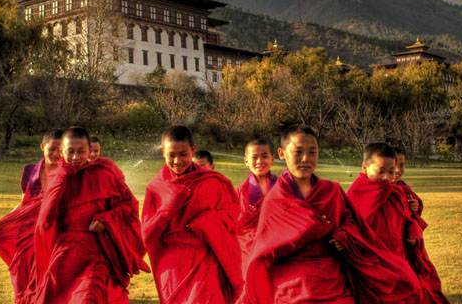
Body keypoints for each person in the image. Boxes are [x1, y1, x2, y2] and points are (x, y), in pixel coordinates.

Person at [245, 126, 420, 304]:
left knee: (405, 282)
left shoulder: (332, 191)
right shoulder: (275, 200)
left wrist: (344, 234)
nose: (306, 158)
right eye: (298, 152)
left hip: (333, 282)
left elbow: (352, 222)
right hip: (293, 286)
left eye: (312, 152)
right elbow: (264, 250)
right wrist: (314, 227)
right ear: (282, 153)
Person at [26, 126, 149, 303]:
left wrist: (106, 218)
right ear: (62, 151)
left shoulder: (104, 173)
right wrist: (61, 178)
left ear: (89, 150)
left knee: (88, 297)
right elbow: (46, 220)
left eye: (81, 151)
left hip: (96, 251)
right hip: (66, 252)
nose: (76, 157)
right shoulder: (57, 177)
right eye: (71, 152)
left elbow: (128, 205)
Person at [142, 125, 243, 304]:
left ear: (193, 150)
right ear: (163, 152)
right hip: (173, 265)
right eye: (171, 155)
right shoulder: (156, 188)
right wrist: (169, 207)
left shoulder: (212, 181)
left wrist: (206, 222)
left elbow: (230, 218)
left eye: (183, 154)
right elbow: (147, 232)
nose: (177, 160)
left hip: (205, 258)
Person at [347, 143, 448, 304]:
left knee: (412, 291)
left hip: (397, 257)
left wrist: (413, 231)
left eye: (390, 172)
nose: (386, 177)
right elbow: (347, 225)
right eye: (381, 172)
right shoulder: (358, 192)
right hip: (373, 263)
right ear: (365, 168)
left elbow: (408, 219)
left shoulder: (396, 192)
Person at [0, 129, 62, 303]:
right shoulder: (31, 173)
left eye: (60, 149)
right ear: (42, 147)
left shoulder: (69, 172)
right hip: (29, 229)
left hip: (55, 228)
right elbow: (25, 203)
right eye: (52, 148)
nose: (56, 153)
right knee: (23, 264)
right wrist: (4, 223)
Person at [236, 138, 277, 273]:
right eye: (254, 157)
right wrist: (245, 215)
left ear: (272, 159)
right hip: (248, 245)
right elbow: (232, 224)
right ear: (246, 161)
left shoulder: (282, 186)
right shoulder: (239, 191)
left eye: (264, 156)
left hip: (275, 241)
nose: (259, 161)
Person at [392, 147, 421, 215]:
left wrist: (414, 206)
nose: (398, 170)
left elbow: (413, 213)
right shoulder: (379, 188)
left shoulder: (404, 187)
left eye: (401, 166)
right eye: (393, 166)